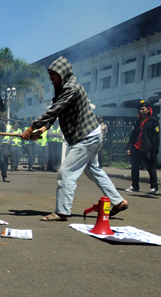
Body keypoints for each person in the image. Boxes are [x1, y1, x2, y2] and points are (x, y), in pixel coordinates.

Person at [22, 56, 128, 221]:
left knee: (66, 172)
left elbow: (55, 109)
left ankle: (62, 211)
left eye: (53, 74)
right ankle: (118, 201)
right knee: (93, 170)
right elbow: (56, 113)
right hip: (91, 136)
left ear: (62, 73)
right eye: (49, 73)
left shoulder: (71, 88)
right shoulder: (63, 88)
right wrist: (42, 129)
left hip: (86, 138)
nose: (51, 77)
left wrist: (31, 127)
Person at [125, 101, 159, 194]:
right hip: (136, 147)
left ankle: (154, 187)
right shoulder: (137, 123)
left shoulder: (153, 122)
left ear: (148, 110)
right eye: (139, 109)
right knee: (134, 167)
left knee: (150, 167)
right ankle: (135, 186)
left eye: (143, 109)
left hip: (147, 148)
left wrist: (155, 150)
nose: (141, 111)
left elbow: (156, 138)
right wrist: (129, 147)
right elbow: (133, 136)